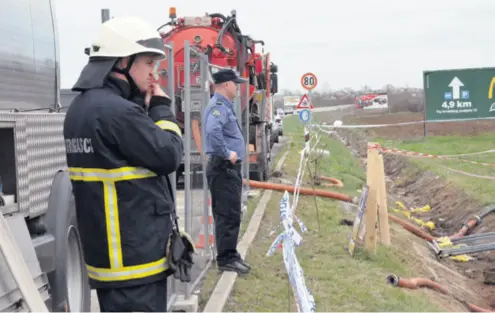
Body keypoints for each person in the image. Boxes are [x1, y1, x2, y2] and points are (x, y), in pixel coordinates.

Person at [63, 16, 184, 312]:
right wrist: (161, 109)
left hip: (112, 263)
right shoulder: (117, 113)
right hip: (134, 263)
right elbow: (168, 155)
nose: (154, 74)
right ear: (123, 61)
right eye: (148, 64)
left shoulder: (81, 108)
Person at [203, 69, 251, 275]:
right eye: (235, 83)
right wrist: (227, 152)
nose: (237, 86)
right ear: (225, 85)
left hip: (226, 168)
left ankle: (230, 253)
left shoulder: (224, 106)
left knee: (230, 213)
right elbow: (213, 130)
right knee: (227, 214)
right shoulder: (219, 107)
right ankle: (226, 259)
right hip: (224, 167)